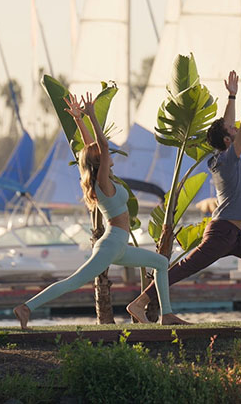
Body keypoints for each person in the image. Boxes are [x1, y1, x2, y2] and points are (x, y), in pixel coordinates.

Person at [14, 93, 186, 329]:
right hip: (111, 244)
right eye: (102, 153)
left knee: (159, 262)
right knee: (72, 282)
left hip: (118, 245)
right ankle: (26, 308)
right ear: (99, 161)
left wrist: (79, 120)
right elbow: (102, 145)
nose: (107, 152)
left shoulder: (102, 178)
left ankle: (166, 314)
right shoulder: (102, 182)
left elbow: (89, 148)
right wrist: (92, 116)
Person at [127, 68, 241, 322]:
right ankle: (140, 302)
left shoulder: (225, 155)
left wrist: (232, 96)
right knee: (184, 269)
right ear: (228, 141)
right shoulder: (228, 160)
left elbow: (228, 126)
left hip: (234, 235)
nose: (237, 129)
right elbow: (240, 127)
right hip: (221, 234)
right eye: (232, 131)